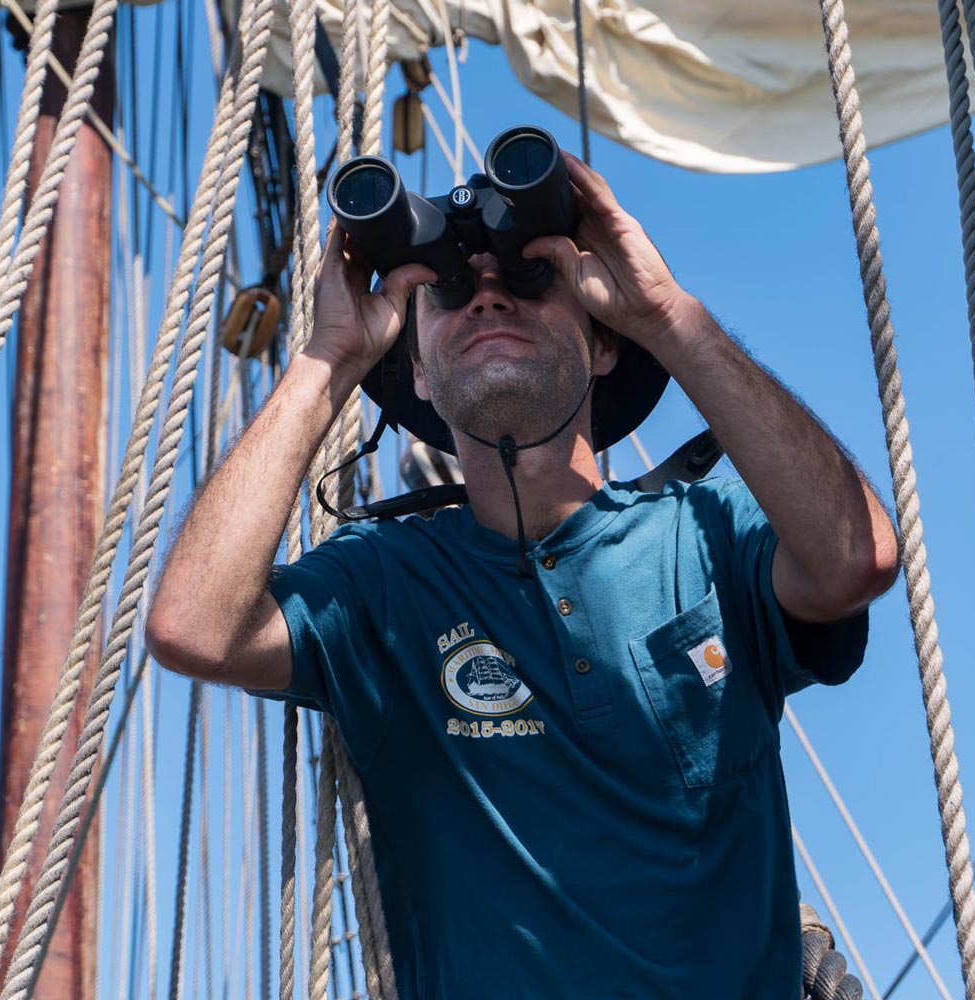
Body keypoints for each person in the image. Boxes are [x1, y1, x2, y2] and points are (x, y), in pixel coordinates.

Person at [146, 149, 900, 997]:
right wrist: (327, 362)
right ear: (420, 377)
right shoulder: (383, 591)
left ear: (603, 343)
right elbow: (192, 626)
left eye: (529, 279)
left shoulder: (715, 534)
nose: (488, 295)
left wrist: (667, 315)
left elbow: (856, 556)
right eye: (450, 294)